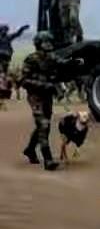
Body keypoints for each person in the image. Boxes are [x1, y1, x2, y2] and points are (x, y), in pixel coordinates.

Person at [20, 32, 81, 170]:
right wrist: (45, 85)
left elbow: (61, 63)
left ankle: (30, 149)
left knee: (43, 125)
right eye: (44, 42)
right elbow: (23, 81)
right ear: (38, 44)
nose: (48, 45)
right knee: (44, 124)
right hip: (35, 96)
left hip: (47, 96)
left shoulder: (51, 57)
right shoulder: (31, 60)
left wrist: (73, 63)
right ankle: (47, 159)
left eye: (49, 42)